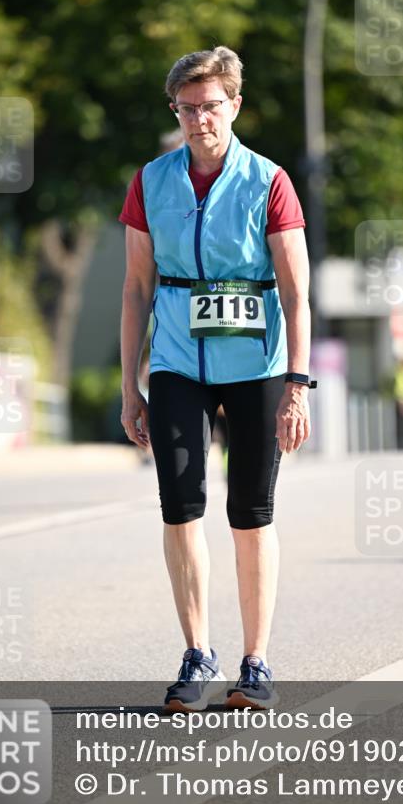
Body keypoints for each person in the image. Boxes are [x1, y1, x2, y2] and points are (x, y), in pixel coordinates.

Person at [119, 45, 315, 712]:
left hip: (256, 366)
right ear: (173, 110)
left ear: (234, 105)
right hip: (177, 362)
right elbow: (135, 288)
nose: (199, 119)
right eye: (186, 107)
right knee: (180, 505)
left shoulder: (269, 181)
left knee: (250, 513)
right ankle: (196, 651)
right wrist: (129, 387)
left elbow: (295, 293)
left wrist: (296, 384)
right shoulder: (151, 181)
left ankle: (255, 663)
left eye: (211, 106)